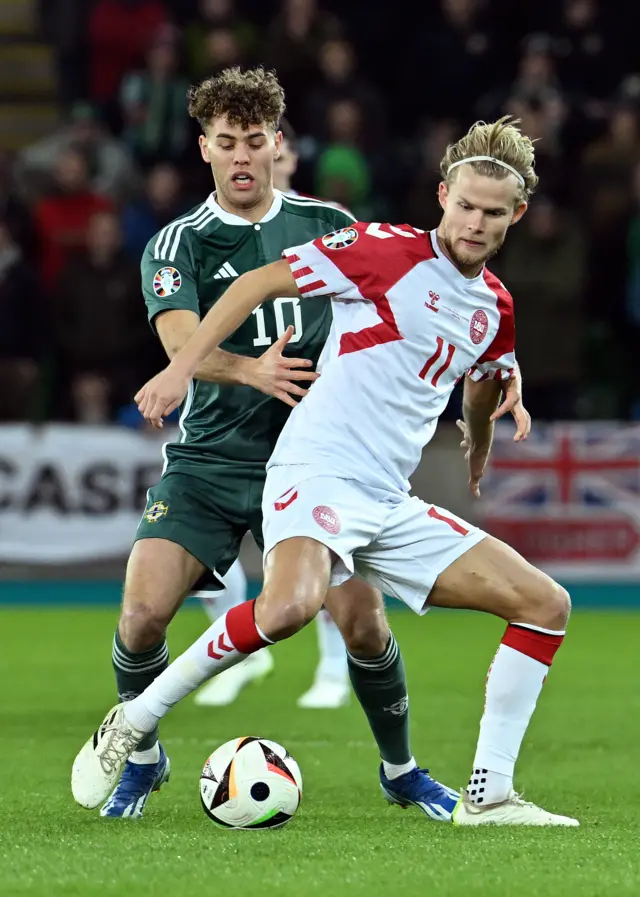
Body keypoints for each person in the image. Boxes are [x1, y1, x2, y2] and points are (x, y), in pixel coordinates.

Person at [70, 116, 553, 827]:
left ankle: (487, 796)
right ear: (444, 195)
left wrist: (478, 445)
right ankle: (134, 721)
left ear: (517, 214)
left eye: (492, 212)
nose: (475, 222)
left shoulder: (496, 306)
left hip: (386, 497)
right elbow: (260, 283)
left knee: (543, 605)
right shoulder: (383, 249)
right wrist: (180, 368)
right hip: (317, 466)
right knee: (289, 608)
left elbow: (481, 382)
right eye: (465, 205)